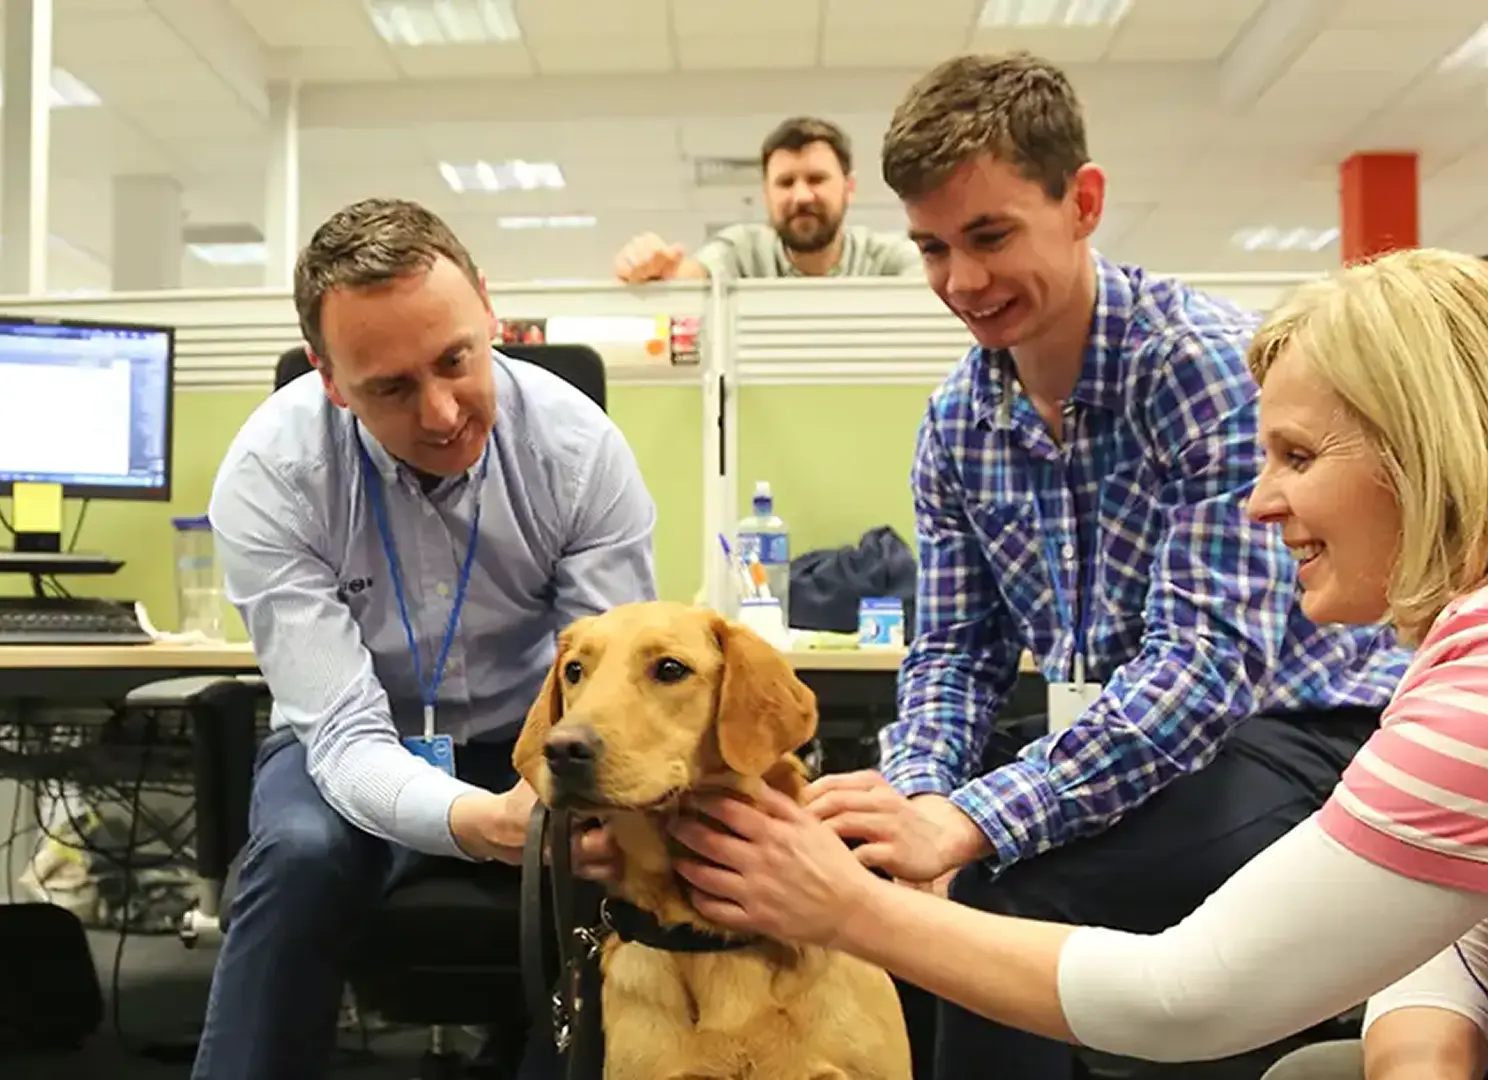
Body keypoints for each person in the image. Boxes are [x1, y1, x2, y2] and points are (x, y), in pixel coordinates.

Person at [673, 51, 1409, 1080]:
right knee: (863, 858)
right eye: (932, 248)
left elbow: (1201, 674)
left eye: (990, 236)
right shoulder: (958, 421)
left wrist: (967, 823)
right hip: (1111, 731)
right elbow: (954, 655)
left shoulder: (1199, 370)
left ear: (1084, 202)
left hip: (1297, 737)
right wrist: (916, 804)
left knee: (998, 892)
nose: (962, 283)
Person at [192, 197, 653, 1080]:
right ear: (330, 380)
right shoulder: (272, 477)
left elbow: (610, 705)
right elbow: (343, 736)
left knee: (616, 863)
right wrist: (479, 823)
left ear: (488, 310)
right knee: (298, 860)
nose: (441, 413)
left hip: (536, 735)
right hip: (353, 741)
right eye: (391, 388)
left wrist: (558, 804)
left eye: (456, 360)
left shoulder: (579, 452)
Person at [612, 116, 922, 283]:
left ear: (848, 187)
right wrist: (651, 267)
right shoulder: (742, 252)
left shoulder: (886, 258)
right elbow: (693, 276)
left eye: (816, 179)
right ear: (766, 194)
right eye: (785, 183)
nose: (801, 196)